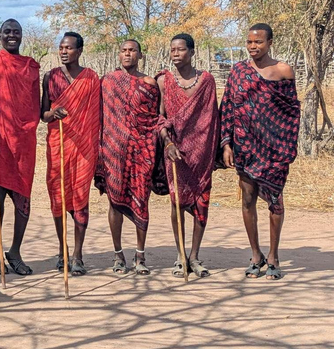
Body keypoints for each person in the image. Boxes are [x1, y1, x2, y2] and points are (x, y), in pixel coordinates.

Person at [220, 23, 300, 280]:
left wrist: (286, 146)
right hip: (244, 147)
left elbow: (291, 113)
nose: (253, 47)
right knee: (247, 200)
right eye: (250, 42)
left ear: (270, 43)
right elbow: (228, 108)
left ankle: (274, 256)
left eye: (259, 42)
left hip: (274, 150)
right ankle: (256, 255)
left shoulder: (283, 70)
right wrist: (226, 143)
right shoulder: (238, 71)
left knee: (276, 202)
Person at [0, 19, 40, 276]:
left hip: (25, 141)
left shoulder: (31, 66)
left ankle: (14, 251)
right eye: (7, 32)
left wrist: (30, 129)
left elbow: (35, 104)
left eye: (16, 32)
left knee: (24, 199)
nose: (11, 36)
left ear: (22, 36)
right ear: (0, 35)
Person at [155, 34, 220, 278]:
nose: (175, 54)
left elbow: (212, 117)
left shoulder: (206, 81)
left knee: (202, 201)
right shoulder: (163, 81)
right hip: (174, 151)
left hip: (201, 151)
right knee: (177, 201)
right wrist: (168, 142)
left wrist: (213, 149)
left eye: (180, 50)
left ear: (191, 52)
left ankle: (194, 255)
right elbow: (159, 118)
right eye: (172, 49)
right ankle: (180, 255)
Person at [95, 39, 159, 275]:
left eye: (132, 50)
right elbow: (100, 116)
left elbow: (154, 119)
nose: (128, 54)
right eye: (123, 50)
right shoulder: (108, 82)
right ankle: (118, 254)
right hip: (112, 151)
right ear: (118, 55)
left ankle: (140, 256)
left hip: (142, 151)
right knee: (114, 202)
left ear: (140, 55)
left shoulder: (149, 83)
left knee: (142, 201)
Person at [41, 32, 100, 276]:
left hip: (84, 147)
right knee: (58, 197)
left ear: (80, 51)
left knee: (79, 198)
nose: (64, 51)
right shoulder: (50, 77)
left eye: (69, 48)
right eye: (61, 48)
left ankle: (78, 254)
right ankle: (62, 249)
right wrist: (53, 114)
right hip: (58, 144)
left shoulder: (91, 78)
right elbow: (42, 114)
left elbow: (97, 115)